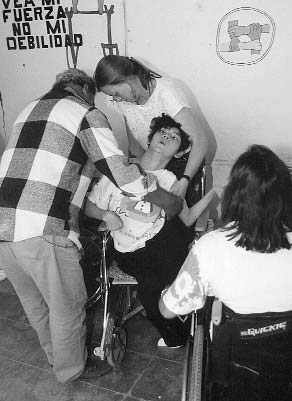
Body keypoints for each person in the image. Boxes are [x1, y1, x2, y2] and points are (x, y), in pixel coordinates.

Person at [0, 68, 183, 383]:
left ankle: (58, 360)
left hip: (4, 224)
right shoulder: (85, 112)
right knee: (68, 308)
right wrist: (167, 201)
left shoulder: (29, 109)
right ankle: (72, 371)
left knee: (36, 303)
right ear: (85, 90)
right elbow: (119, 171)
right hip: (43, 227)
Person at [159, 145, 292, 401]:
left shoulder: (212, 246)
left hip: (240, 363)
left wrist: (166, 293)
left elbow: (168, 311)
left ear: (235, 195)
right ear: (288, 194)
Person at [85, 114, 220, 348]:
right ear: (150, 139)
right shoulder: (120, 168)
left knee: (150, 297)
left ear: (178, 153)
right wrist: (105, 214)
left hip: (158, 250)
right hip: (125, 252)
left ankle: (175, 335)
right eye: (163, 132)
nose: (167, 136)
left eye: (175, 137)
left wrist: (213, 193)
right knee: (148, 290)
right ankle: (170, 307)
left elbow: (186, 219)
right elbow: (89, 207)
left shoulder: (169, 180)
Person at [94, 55, 209, 201]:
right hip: (154, 168)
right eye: (112, 97)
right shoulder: (124, 104)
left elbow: (201, 141)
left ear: (127, 79)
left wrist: (185, 180)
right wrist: (138, 171)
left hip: (185, 168)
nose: (116, 99)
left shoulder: (166, 92)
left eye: (116, 93)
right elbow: (134, 145)